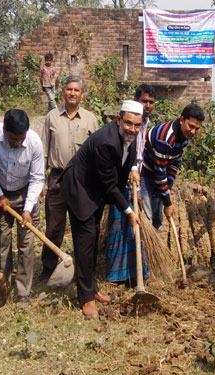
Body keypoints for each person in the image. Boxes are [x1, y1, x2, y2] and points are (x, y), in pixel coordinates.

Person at [60, 100, 143, 318]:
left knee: (93, 237)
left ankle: (92, 288)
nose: (132, 129)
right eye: (128, 124)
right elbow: (110, 185)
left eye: (137, 125)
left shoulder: (130, 137)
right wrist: (129, 212)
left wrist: (134, 168)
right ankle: (86, 298)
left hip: (94, 189)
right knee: (85, 243)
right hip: (80, 189)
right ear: (118, 120)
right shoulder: (106, 141)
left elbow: (131, 153)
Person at [39, 75, 99, 282]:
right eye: (68, 89)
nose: (72, 93)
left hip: (82, 182)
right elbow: (44, 151)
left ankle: (82, 273)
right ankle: (48, 270)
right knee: (54, 228)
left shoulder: (91, 119)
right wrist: (40, 183)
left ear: (82, 93)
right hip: (57, 178)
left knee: (81, 229)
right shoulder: (52, 117)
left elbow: (96, 154)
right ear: (62, 92)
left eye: (76, 90)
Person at [0, 110, 44, 304]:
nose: (18, 143)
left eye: (21, 138)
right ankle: (4, 286)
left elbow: (37, 178)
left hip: (26, 194)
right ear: (4, 130)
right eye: (13, 138)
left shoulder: (34, 142)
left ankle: (22, 293)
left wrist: (27, 209)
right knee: (2, 242)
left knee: (26, 245)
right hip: (0, 193)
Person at [104, 84, 156, 284]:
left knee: (134, 228)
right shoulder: (124, 126)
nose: (148, 105)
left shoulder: (144, 124)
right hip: (120, 182)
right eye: (144, 101)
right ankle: (116, 276)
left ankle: (137, 274)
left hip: (134, 179)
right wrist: (129, 173)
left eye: (151, 102)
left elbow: (138, 155)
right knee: (118, 228)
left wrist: (136, 175)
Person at [141, 103, 204, 231]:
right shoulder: (166, 138)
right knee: (147, 219)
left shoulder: (185, 136)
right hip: (145, 172)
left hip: (159, 173)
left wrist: (168, 187)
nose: (193, 131)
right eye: (191, 126)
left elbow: (175, 163)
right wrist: (167, 203)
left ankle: (156, 250)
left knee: (157, 220)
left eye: (196, 128)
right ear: (182, 120)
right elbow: (160, 172)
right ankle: (144, 250)